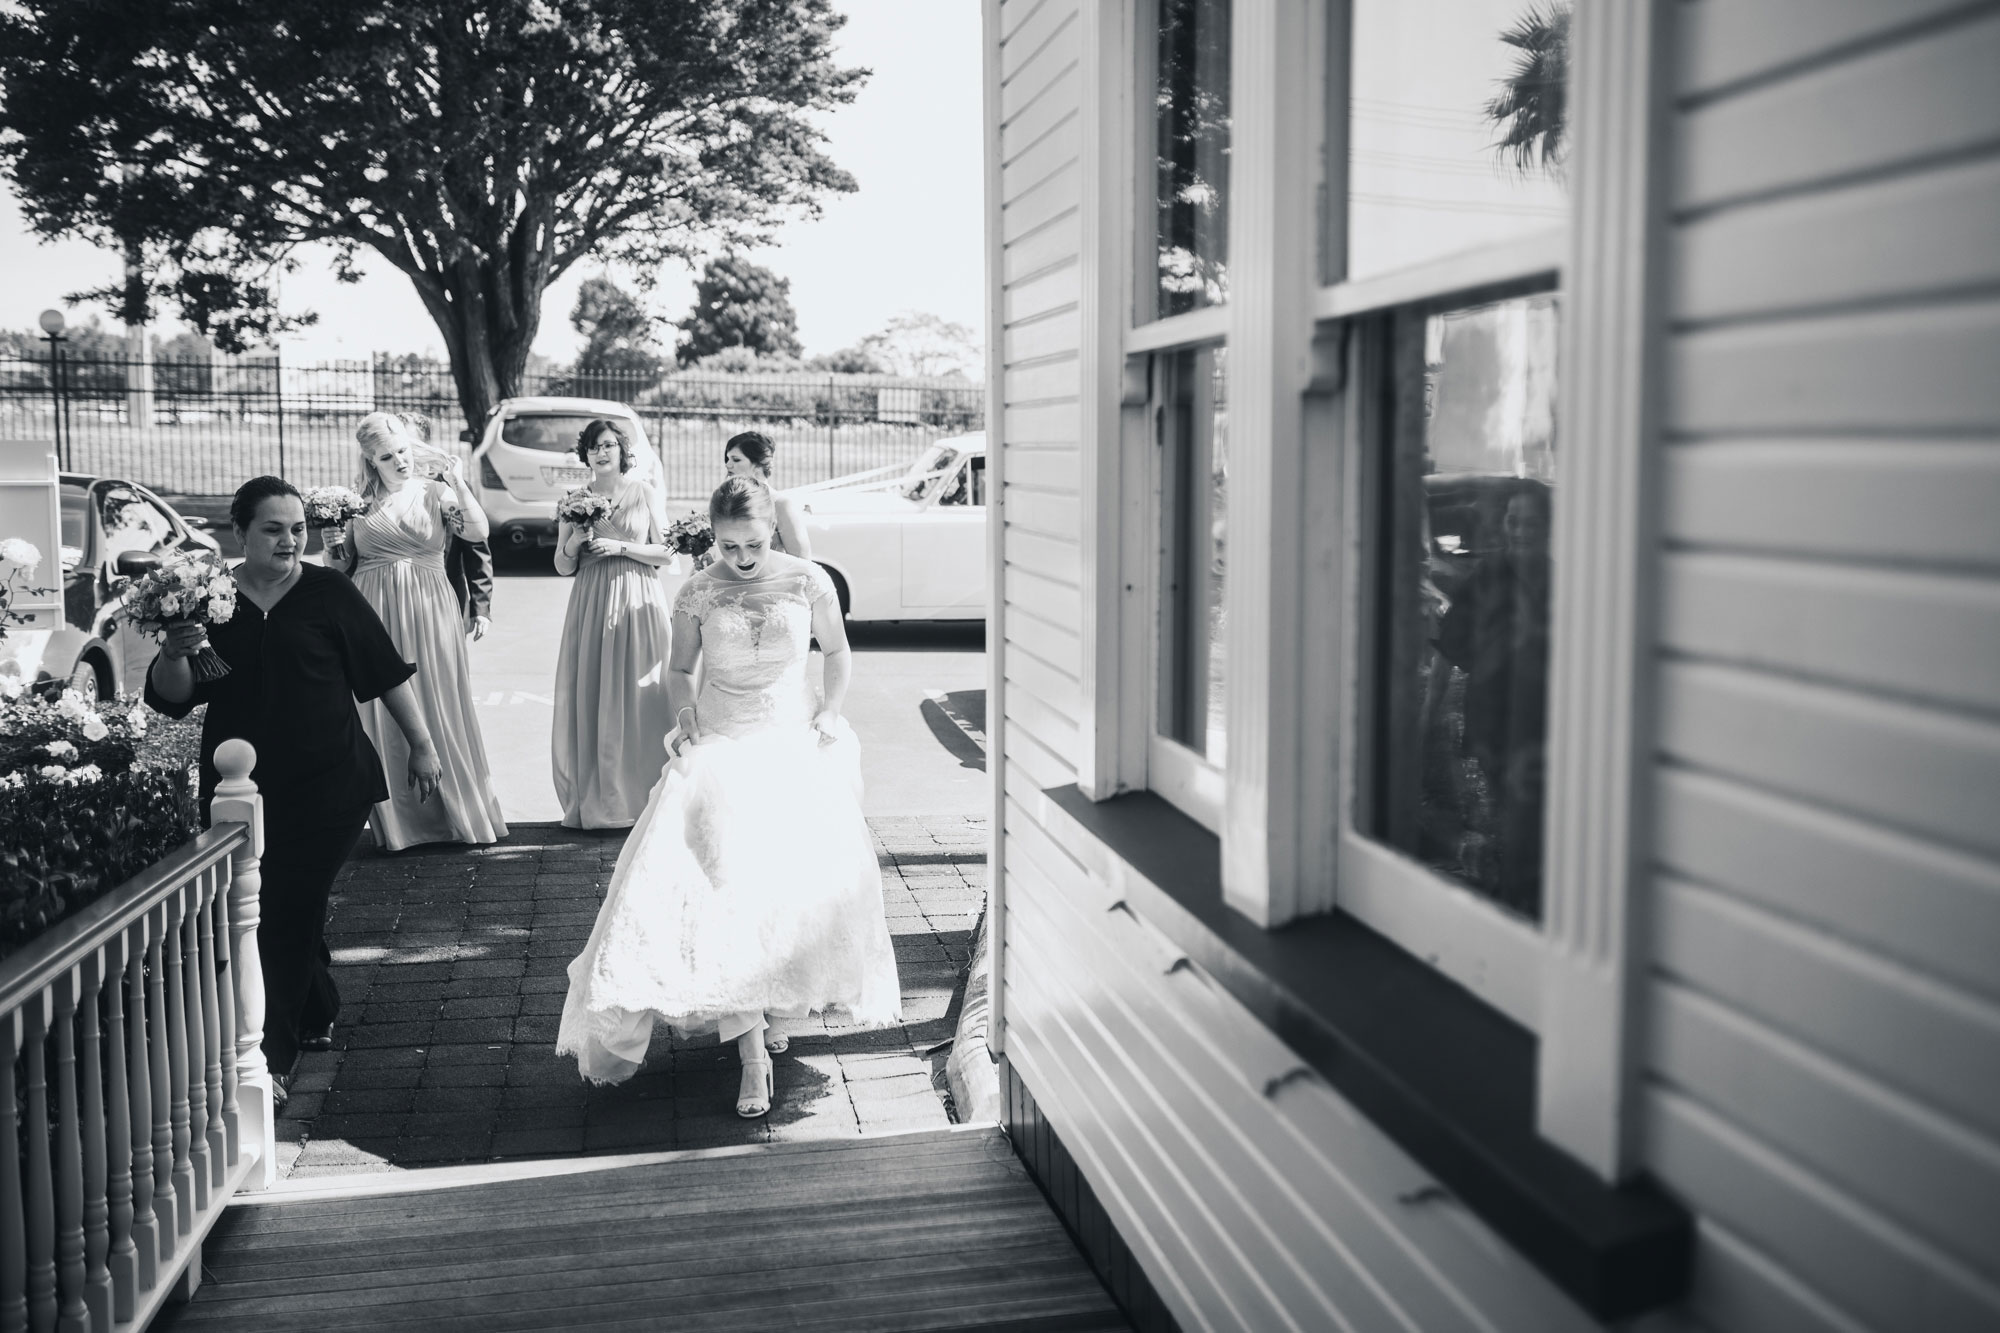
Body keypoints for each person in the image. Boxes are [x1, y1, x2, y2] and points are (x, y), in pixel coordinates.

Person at [556, 475, 900, 1117]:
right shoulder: (699, 589)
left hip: (791, 738)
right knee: (722, 889)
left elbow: (838, 650)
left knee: (785, 889)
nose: (740, 559)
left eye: (752, 544)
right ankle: (751, 1057)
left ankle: (777, 1001)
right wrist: (684, 719)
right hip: (720, 738)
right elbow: (682, 670)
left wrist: (829, 712)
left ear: (771, 529)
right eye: (727, 546)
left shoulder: (809, 579)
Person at [145, 476, 441, 1098]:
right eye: (273, 529)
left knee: (281, 906)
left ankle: (268, 1057)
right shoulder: (206, 598)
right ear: (240, 534)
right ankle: (316, 1006)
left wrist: (422, 745)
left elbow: (385, 675)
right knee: (271, 906)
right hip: (238, 791)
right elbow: (173, 699)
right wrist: (175, 651)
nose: (289, 541)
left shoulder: (330, 592)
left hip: (331, 784)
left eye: (298, 529)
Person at [331, 411, 508, 850]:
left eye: (404, 452)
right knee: (379, 711)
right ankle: (400, 824)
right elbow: (337, 566)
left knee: (440, 701)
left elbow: (479, 532)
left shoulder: (436, 492)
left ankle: (457, 812)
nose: (400, 461)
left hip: (430, 608)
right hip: (372, 608)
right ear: (372, 461)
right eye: (388, 457)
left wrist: (459, 482)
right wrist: (331, 538)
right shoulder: (355, 502)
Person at [552, 419, 678, 828]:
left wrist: (622, 546)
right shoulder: (573, 500)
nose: (602, 453)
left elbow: (667, 553)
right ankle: (603, 797)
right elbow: (561, 565)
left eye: (608, 445)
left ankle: (647, 793)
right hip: (591, 599)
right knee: (594, 692)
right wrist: (575, 540)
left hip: (639, 597)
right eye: (593, 447)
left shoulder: (644, 493)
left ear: (623, 450)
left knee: (644, 694)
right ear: (585, 455)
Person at [396, 410, 494, 640]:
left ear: (425, 445)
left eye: (410, 445)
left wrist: (481, 608)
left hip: (445, 595)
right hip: (394, 598)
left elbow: (476, 548)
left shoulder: (448, 486)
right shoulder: (377, 490)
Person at [722, 431, 812, 558]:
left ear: (758, 465)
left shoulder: (781, 504)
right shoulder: (725, 502)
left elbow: (802, 560)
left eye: (736, 459)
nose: (728, 465)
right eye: (728, 459)